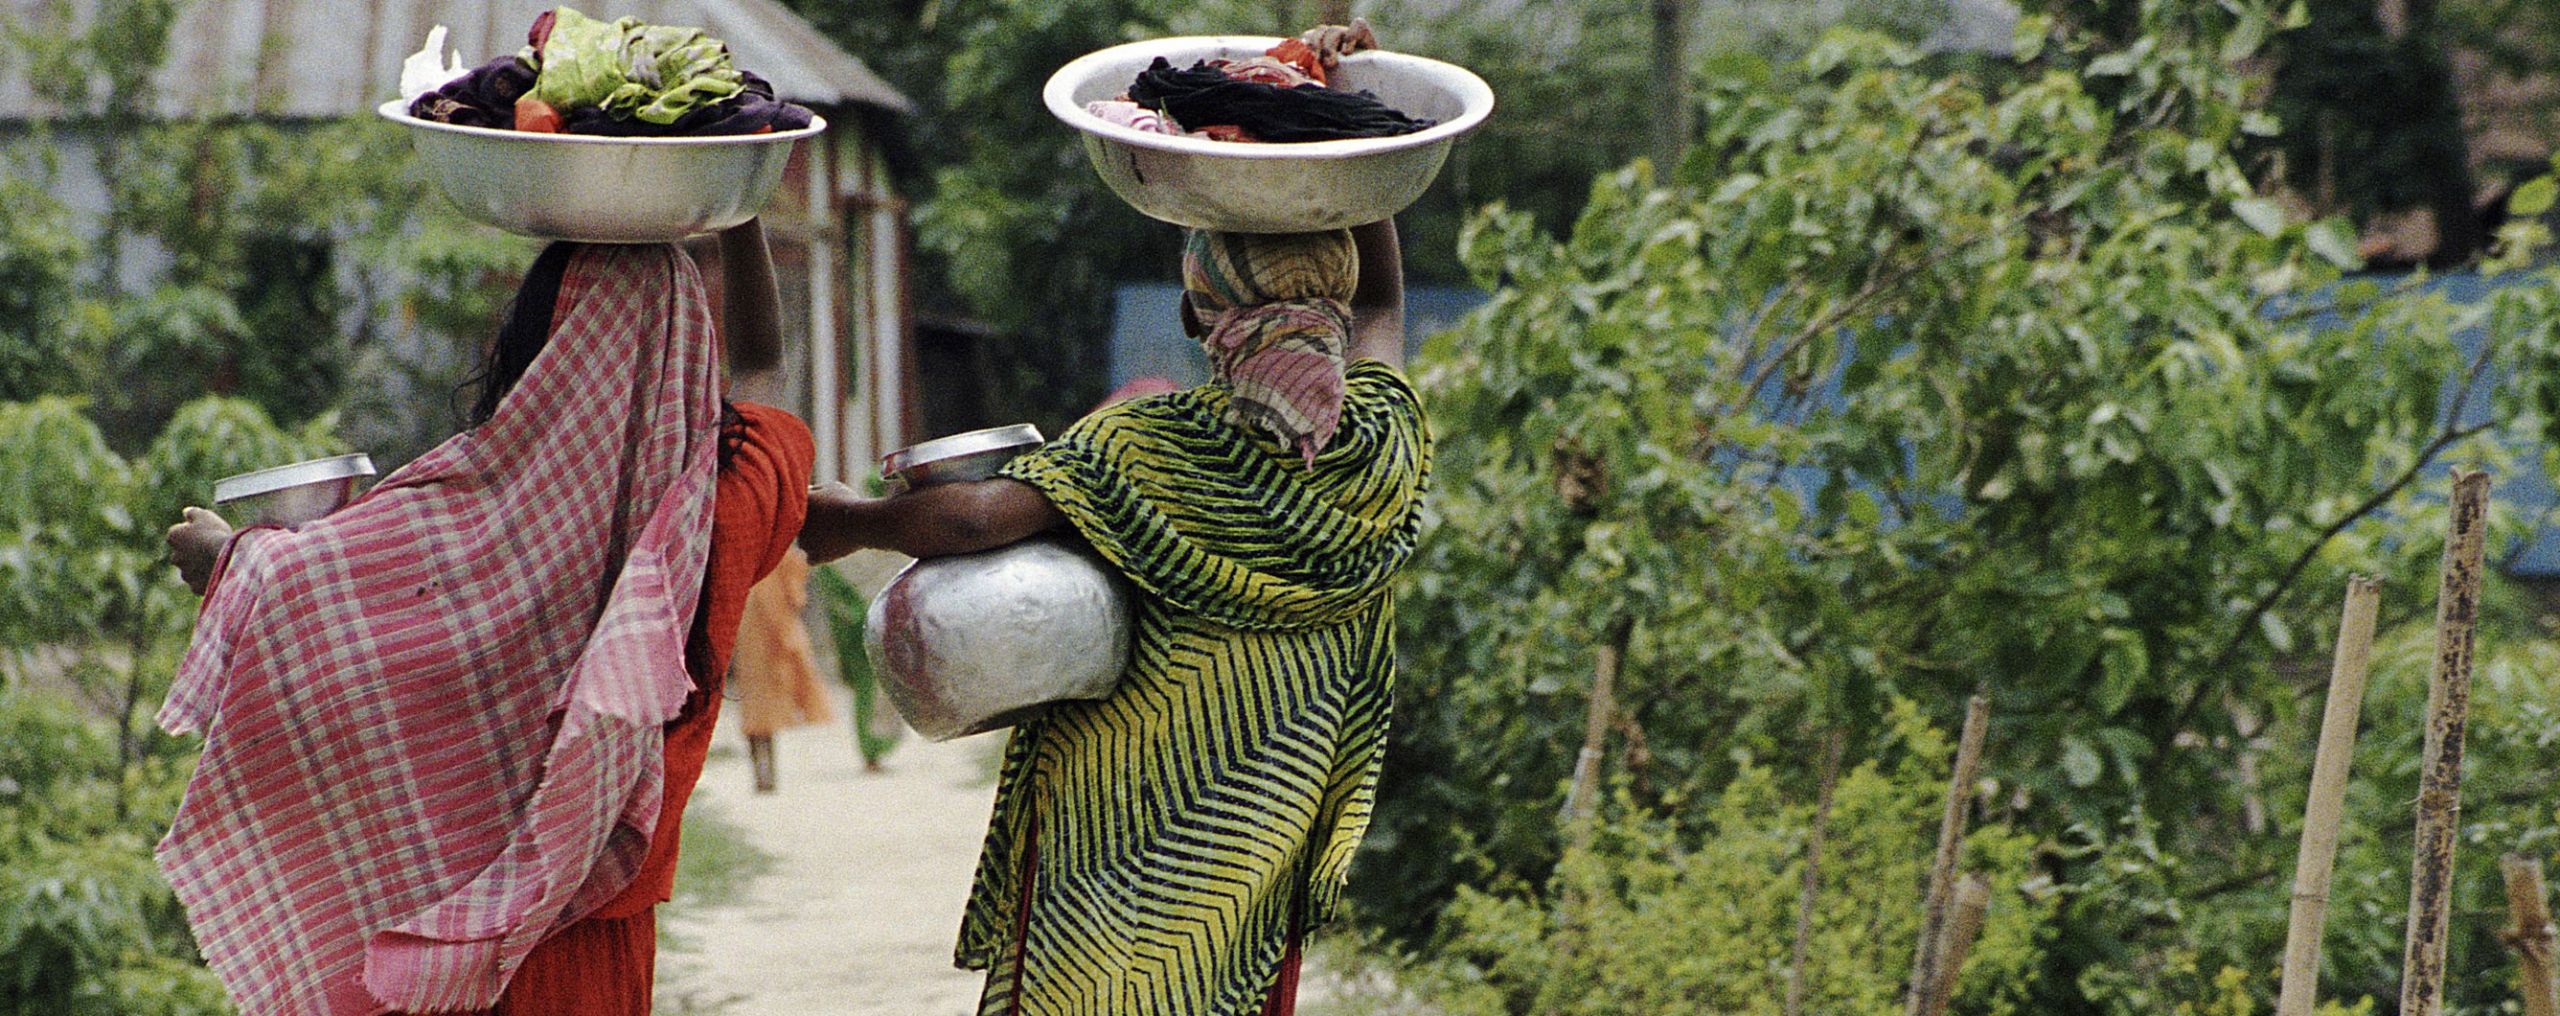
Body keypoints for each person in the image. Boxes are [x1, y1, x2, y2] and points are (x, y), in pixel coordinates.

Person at [800, 23, 1425, 1004]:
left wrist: (851, 523)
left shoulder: (1154, 444)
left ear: (1193, 313)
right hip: (1260, 846)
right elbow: (1382, 303)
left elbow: (972, 524)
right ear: (1337, 308)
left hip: (1124, 845)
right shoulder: (1386, 445)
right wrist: (1349, 155)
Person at [162, 221, 812, 1016]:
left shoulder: (459, 519)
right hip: (595, 955)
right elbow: (765, 368)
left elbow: (299, 586)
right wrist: (737, 202)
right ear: (687, 352)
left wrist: (226, 556)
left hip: (428, 957)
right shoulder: (719, 504)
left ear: (537, 347)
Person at [728, 545, 833, 791]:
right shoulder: (784, 558)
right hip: (771, 638)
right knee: (761, 713)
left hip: (751, 637)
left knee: (755, 713)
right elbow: (796, 597)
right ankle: (766, 773)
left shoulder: (753, 555)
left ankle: (763, 773)